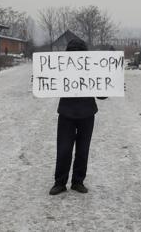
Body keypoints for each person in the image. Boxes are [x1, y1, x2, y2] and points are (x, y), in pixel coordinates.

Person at [49, 39, 107, 196]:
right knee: (63, 149)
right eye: (72, 53)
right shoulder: (61, 68)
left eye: (78, 53)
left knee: (83, 150)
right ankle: (60, 183)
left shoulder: (92, 68)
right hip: (66, 114)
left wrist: (111, 86)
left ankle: (78, 182)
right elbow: (49, 85)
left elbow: (101, 95)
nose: (75, 56)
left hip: (87, 114)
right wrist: (38, 82)